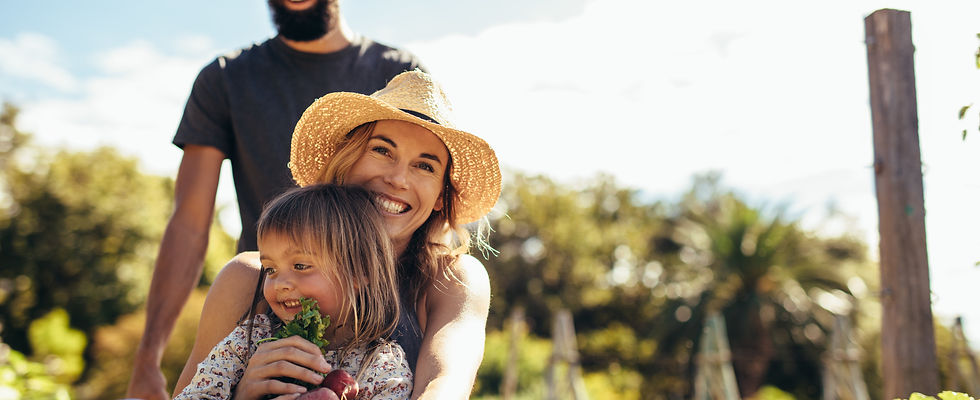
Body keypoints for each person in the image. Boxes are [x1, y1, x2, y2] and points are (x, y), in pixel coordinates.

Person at [126, 0, 424, 398]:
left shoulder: (395, 72)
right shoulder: (226, 78)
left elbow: (424, 188)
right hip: (255, 306)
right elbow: (189, 223)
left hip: (380, 309)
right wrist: (148, 358)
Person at [174, 70, 501, 399]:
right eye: (382, 151)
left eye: (425, 166)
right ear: (345, 159)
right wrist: (244, 394)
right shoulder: (248, 278)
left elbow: (445, 385)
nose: (398, 179)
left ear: (442, 197)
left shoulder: (450, 279)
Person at [175, 184, 412, 399]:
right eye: (270, 269)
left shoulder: (382, 367)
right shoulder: (248, 343)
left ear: (358, 272)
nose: (280, 284)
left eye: (300, 266)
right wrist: (242, 395)